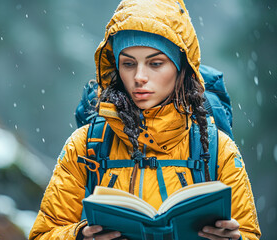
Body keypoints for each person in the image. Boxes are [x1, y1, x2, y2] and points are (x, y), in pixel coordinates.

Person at [29, 0, 261, 239]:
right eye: (128, 63)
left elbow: (248, 232)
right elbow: (43, 234)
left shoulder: (217, 149)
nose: (139, 77)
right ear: (115, 67)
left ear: (182, 67)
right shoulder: (85, 146)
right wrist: (79, 236)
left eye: (156, 63)